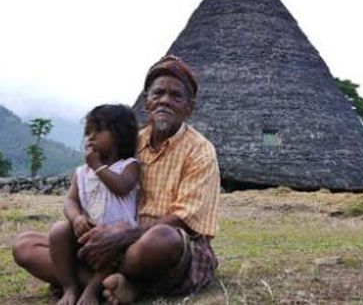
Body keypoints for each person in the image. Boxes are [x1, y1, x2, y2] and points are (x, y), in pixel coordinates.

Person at [13, 55, 221, 304]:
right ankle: (114, 285)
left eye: (176, 96)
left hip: (158, 246)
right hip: (111, 237)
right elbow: (95, 180)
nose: (165, 100)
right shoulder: (129, 142)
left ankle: (111, 284)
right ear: (147, 102)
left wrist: (124, 235)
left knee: (162, 239)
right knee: (25, 245)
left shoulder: (200, 151)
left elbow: (184, 220)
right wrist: (91, 227)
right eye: (158, 93)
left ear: (189, 107)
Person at [51, 104, 140, 305]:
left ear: (120, 135)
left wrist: (98, 166)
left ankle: (91, 291)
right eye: (87, 132)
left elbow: (122, 187)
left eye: (98, 131)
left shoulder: (129, 166)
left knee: (111, 250)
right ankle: (69, 288)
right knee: (58, 232)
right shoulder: (81, 173)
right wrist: (76, 218)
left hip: (117, 240)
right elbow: (70, 200)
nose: (90, 137)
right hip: (88, 234)